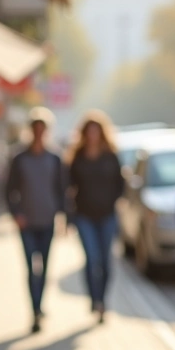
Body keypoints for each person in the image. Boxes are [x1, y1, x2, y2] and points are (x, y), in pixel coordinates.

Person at [5, 107, 66, 334]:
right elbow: (9, 190)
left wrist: (62, 217)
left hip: (47, 221)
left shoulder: (55, 158)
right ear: (30, 131)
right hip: (27, 222)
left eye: (43, 129)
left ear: (47, 131)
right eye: (35, 128)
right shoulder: (20, 158)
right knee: (32, 269)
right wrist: (16, 214)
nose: (39, 133)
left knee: (45, 268)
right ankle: (35, 311)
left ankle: (41, 305)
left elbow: (62, 191)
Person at [65, 110, 125, 324]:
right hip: (84, 216)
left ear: (102, 133)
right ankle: (94, 300)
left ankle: (102, 299)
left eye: (96, 131)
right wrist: (68, 217)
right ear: (84, 133)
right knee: (92, 259)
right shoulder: (78, 157)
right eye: (89, 131)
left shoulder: (111, 156)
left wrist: (114, 201)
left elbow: (121, 184)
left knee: (106, 262)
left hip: (107, 215)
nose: (92, 135)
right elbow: (68, 187)